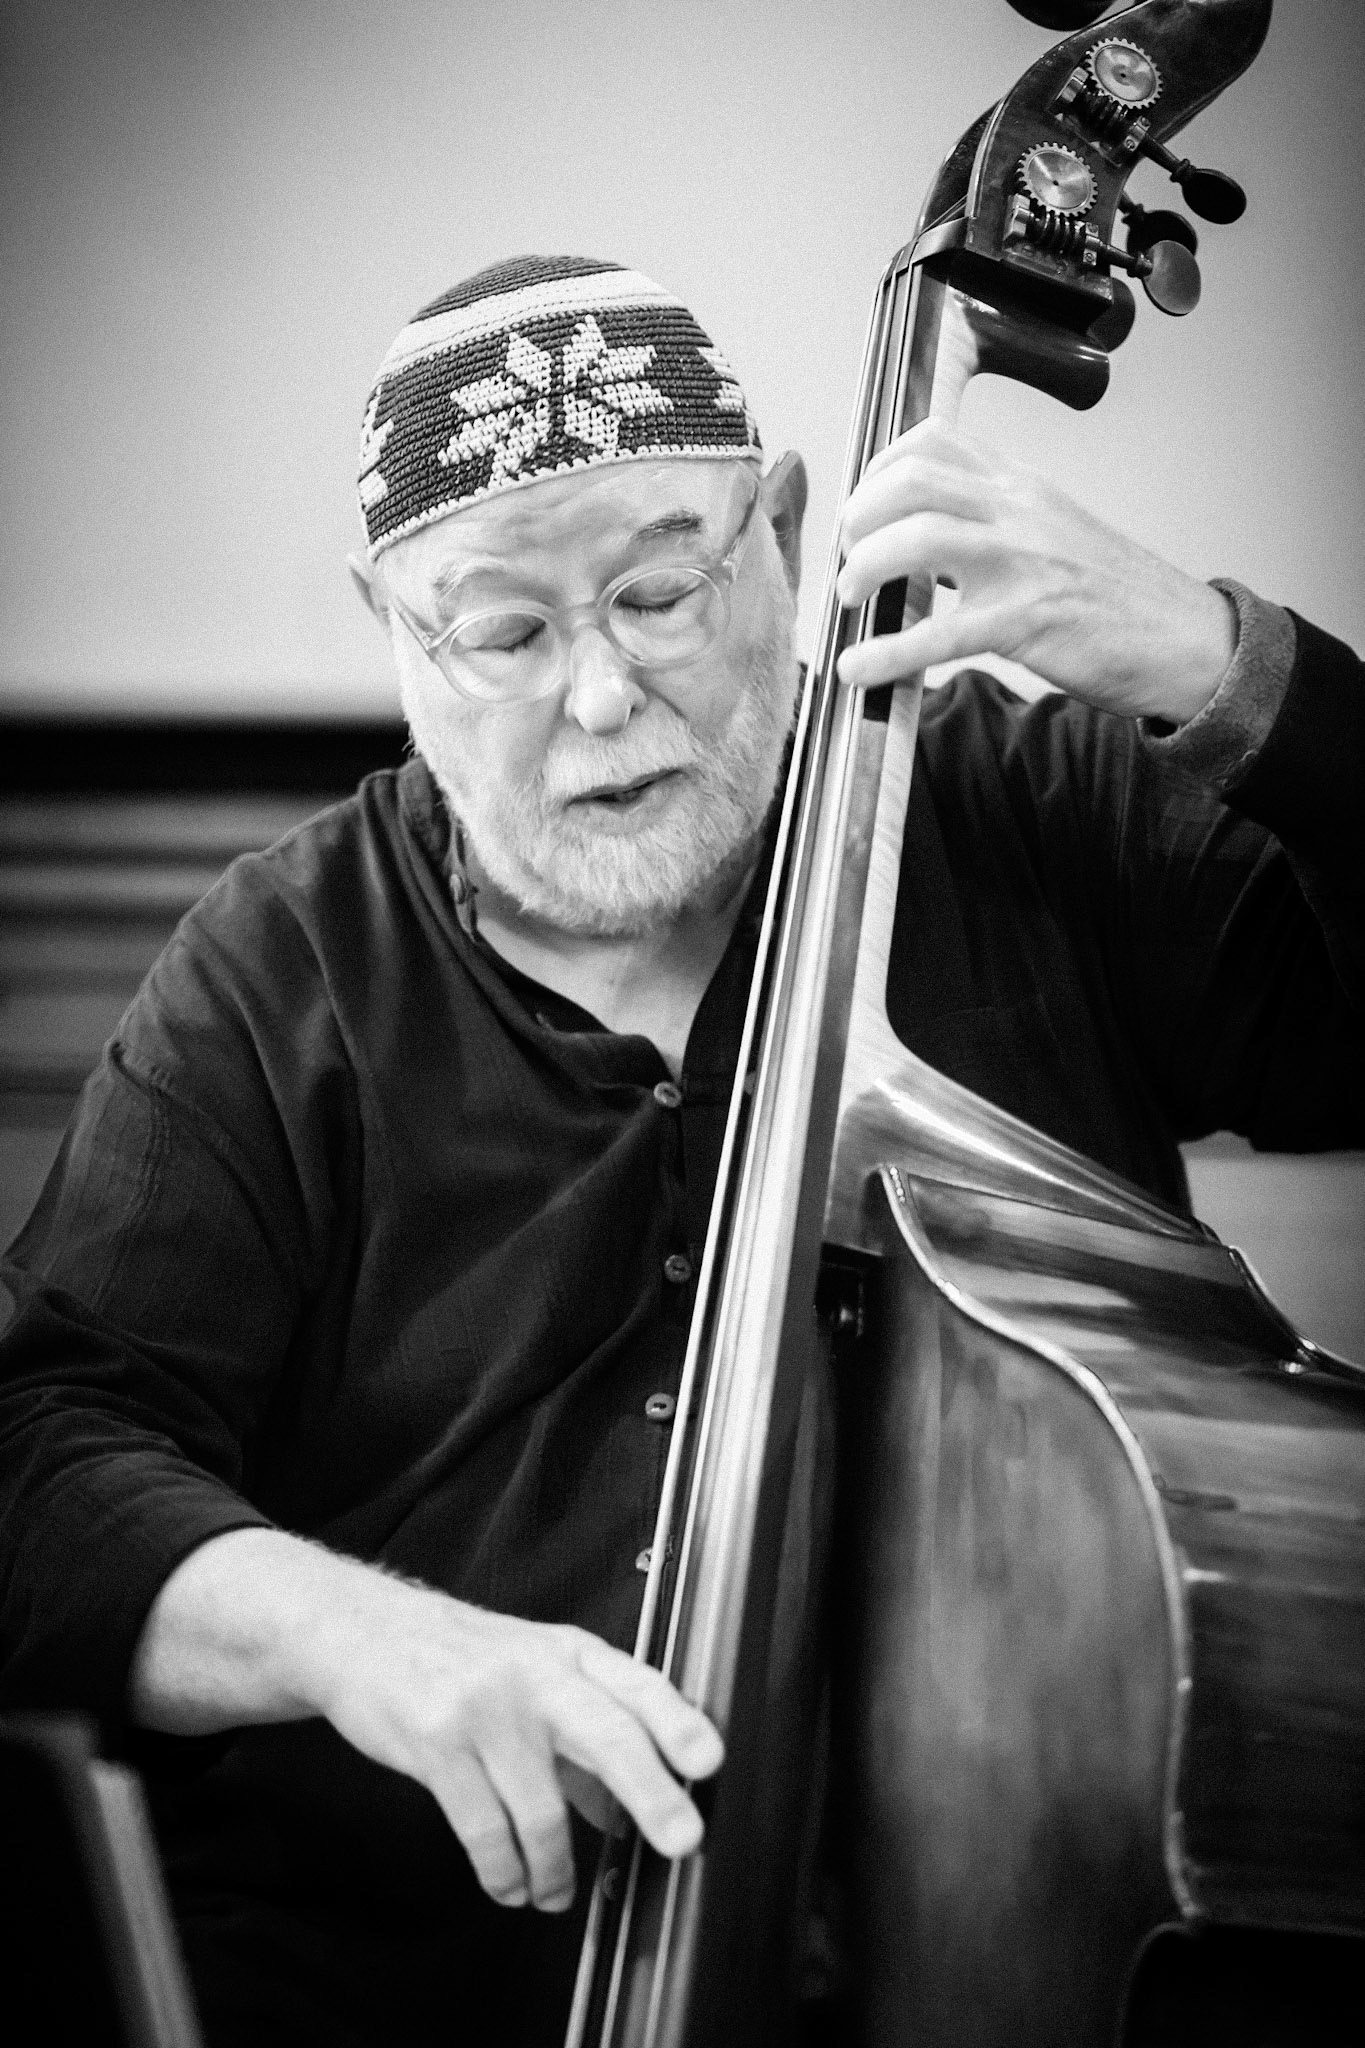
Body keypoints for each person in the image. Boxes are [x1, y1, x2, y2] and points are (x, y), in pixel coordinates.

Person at [0, 254, 1360, 2045]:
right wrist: (370, 1644)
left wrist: (1220, 660)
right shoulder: (283, 968)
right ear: (389, 624)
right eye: (500, 632)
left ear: (785, 528)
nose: (596, 697)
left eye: (657, 591)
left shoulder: (1036, 817)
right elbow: (41, 1463)